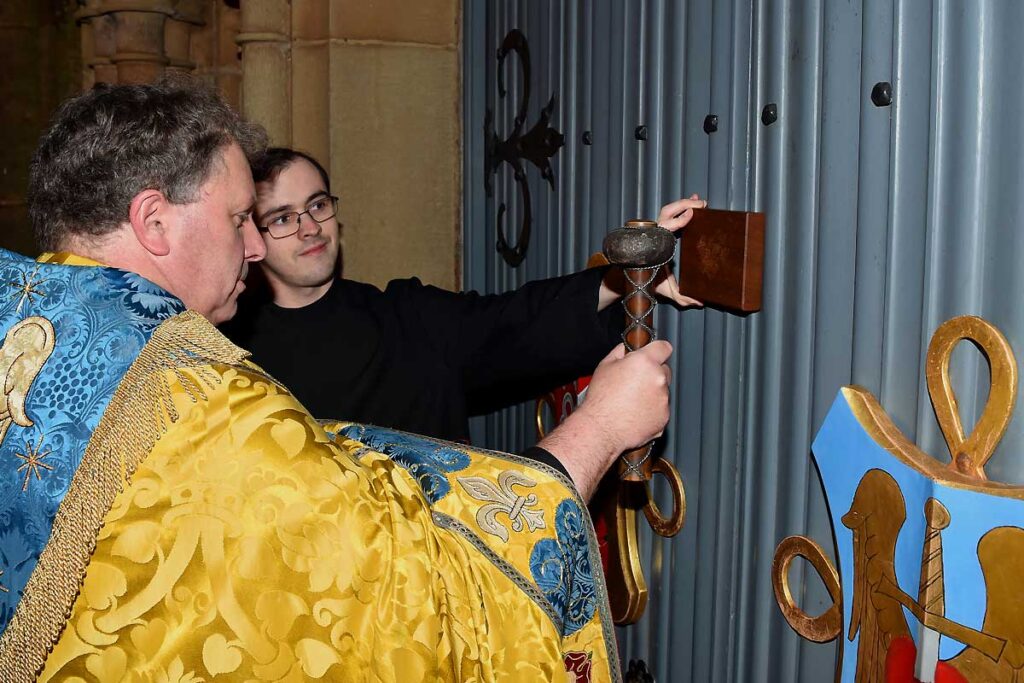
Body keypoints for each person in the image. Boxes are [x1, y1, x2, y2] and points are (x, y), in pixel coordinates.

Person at [0, 78, 672, 682]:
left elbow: (505, 326)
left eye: (313, 206)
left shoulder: (26, 337)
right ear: (152, 221)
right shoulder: (210, 412)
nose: (259, 246)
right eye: (244, 219)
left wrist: (623, 282)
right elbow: (436, 607)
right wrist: (604, 425)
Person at [223, 147, 704, 442]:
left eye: (318, 205)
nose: (310, 227)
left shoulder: (404, 313)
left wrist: (630, 270)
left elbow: (513, 322)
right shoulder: (233, 358)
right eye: (284, 218)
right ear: (253, 237)